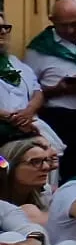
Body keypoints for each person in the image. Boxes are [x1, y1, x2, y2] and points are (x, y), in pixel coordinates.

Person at [27, 0, 76, 151]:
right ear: (52, 20)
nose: (70, 30)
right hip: (59, 119)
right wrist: (60, 89)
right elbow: (26, 93)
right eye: (63, 25)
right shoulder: (39, 49)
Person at [0, 12, 54, 145]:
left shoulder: (15, 63)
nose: (2, 32)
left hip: (27, 127)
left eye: (5, 27)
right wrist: (10, 118)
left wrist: (29, 111)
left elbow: (37, 92)